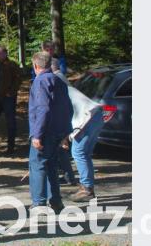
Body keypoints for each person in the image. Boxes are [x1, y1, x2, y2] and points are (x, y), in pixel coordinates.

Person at [53, 59, 105, 202]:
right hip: (94, 115)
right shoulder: (62, 83)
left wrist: (64, 137)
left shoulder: (57, 85)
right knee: (84, 153)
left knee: (79, 152)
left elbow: (63, 115)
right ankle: (87, 187)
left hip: (87, 118)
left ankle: (87, 189)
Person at [28, 51, 73, 213]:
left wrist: (37, 134)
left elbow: (43, 109)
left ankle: (39, 202)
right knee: (52, 166)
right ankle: (56, 201)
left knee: (38, 165)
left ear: (35, 65)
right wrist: (66, 132)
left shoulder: (40, 81)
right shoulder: (58, 80)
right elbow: (68, 107)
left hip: (45, 132)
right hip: (58, 131)